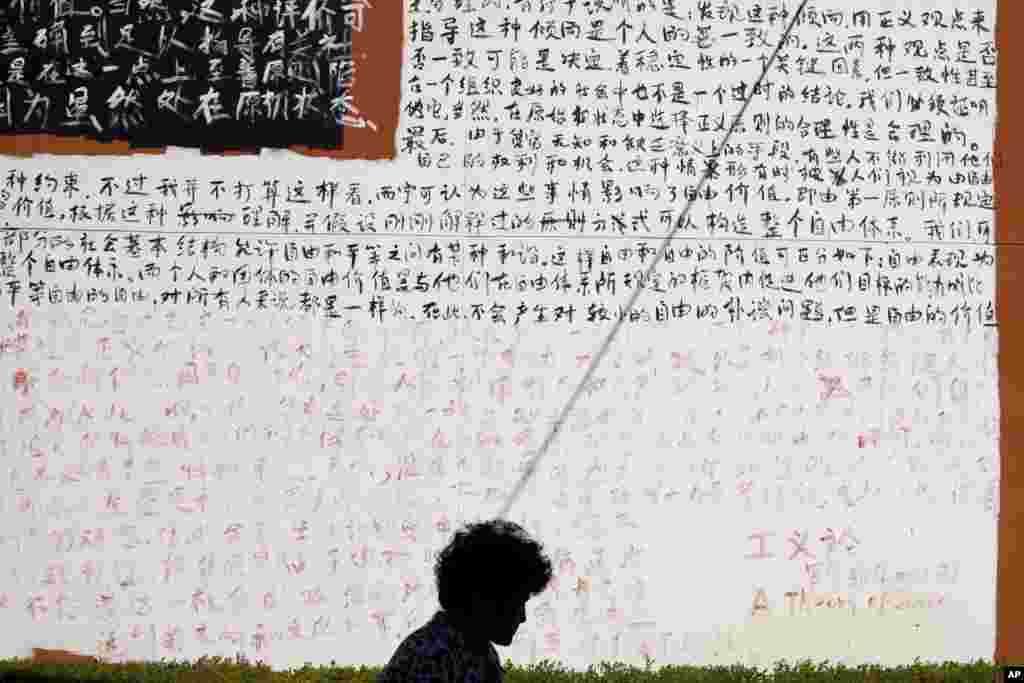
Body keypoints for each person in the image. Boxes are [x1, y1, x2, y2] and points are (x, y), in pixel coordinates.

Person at [377, 519, 553, 683]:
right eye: (517, 602)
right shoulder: (433, 657)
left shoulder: (481, 654)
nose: (523, 617)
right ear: (484, 598)